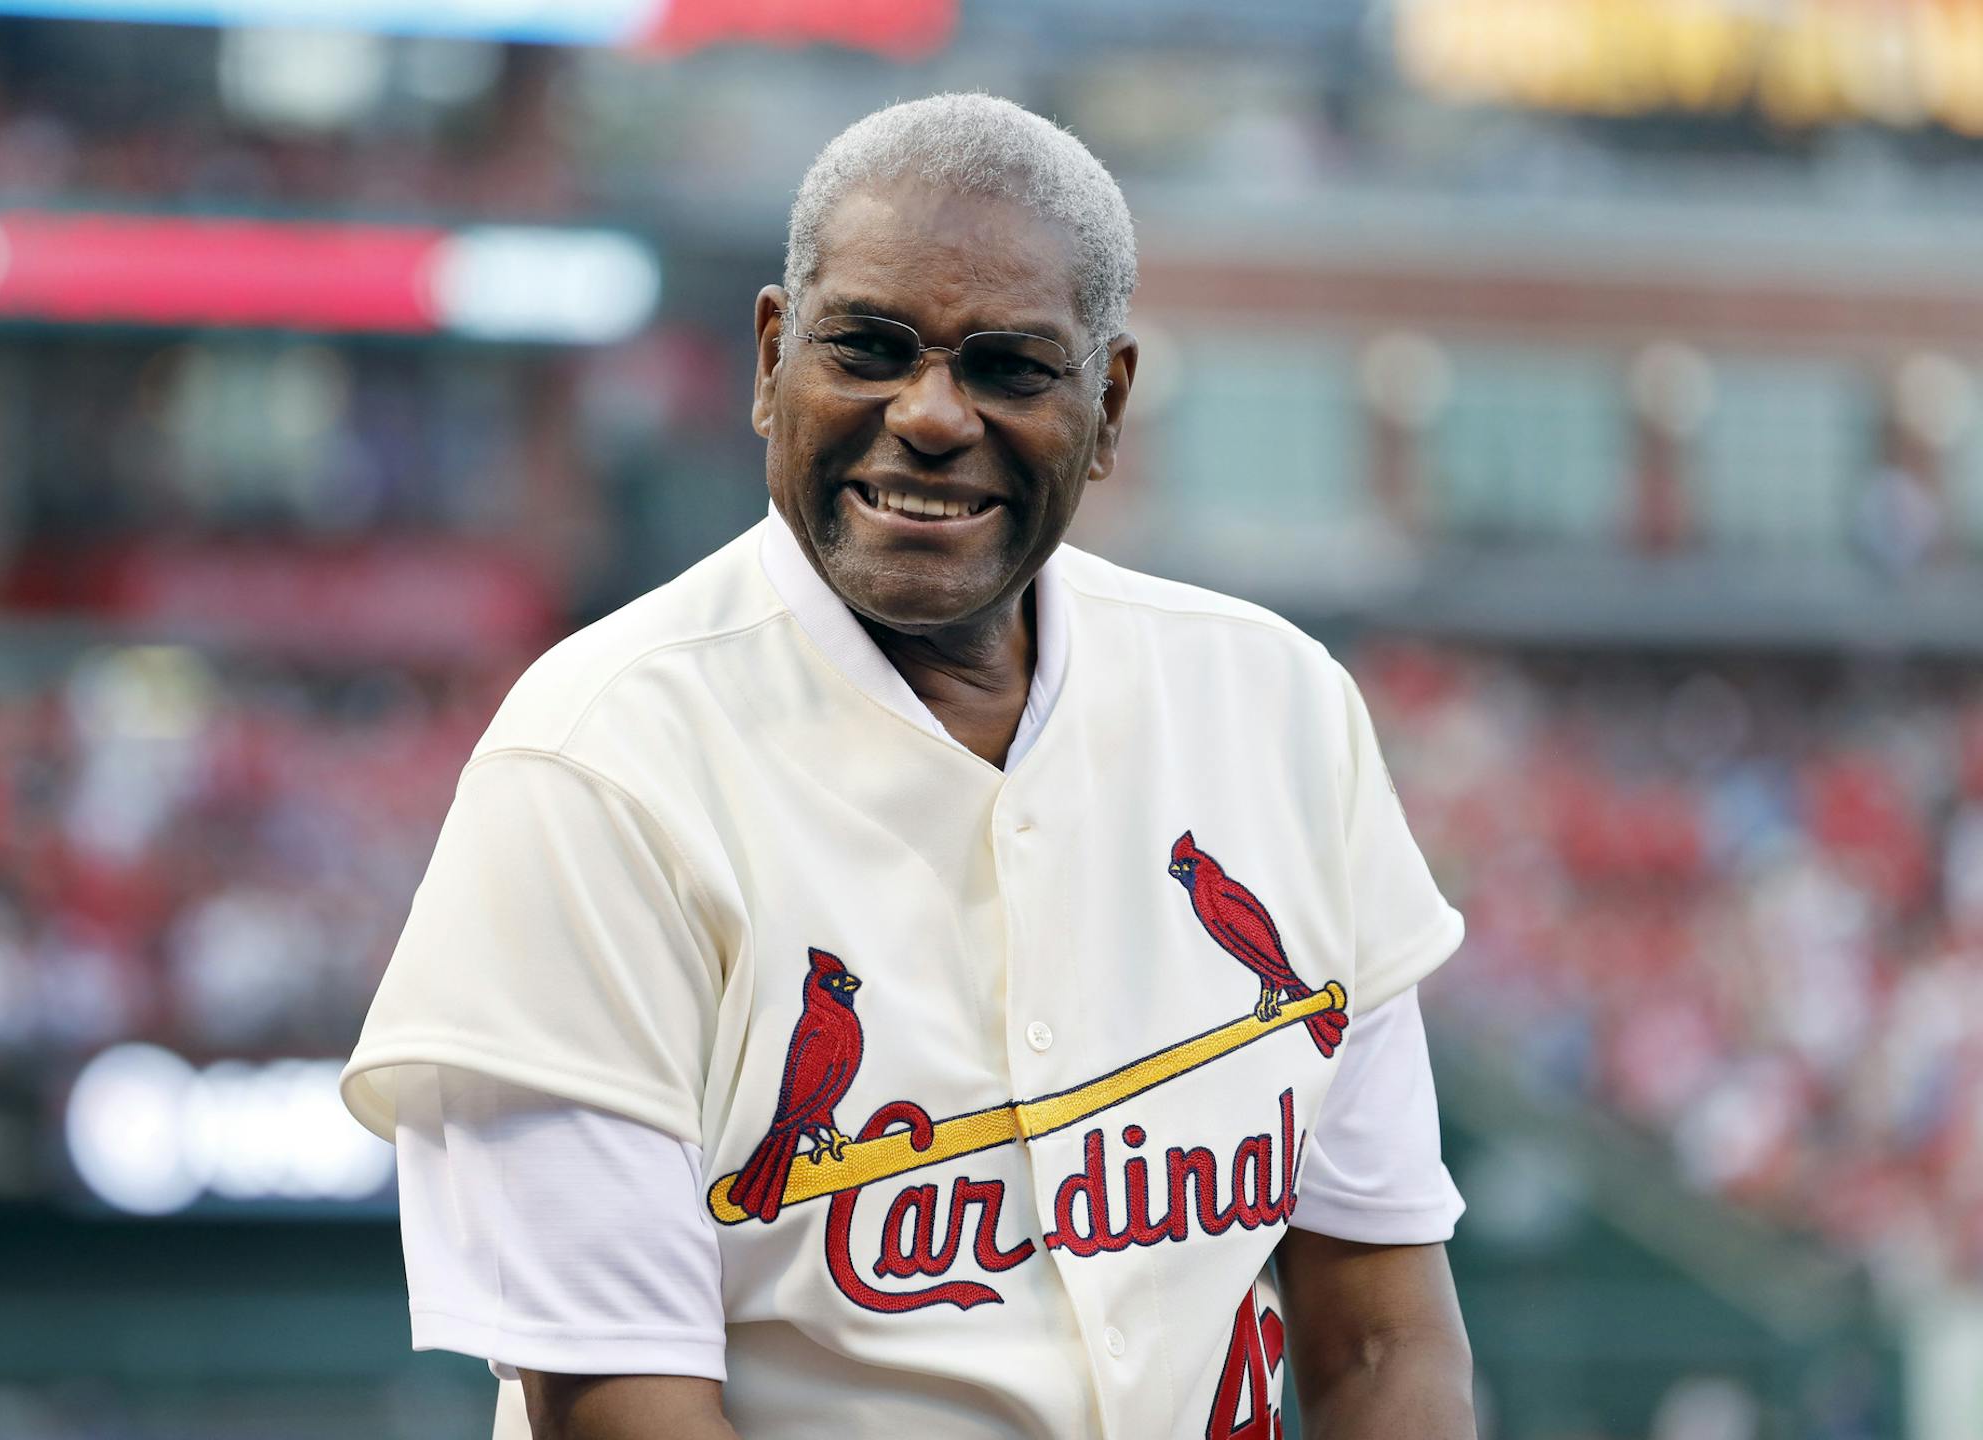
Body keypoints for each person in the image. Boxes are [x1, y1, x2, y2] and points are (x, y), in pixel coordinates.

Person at [341, 93, 1476, 1439]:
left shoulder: (1279, 707)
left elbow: (1381, 1341)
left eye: (1009, 367)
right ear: (772, 362)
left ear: (1106, 406)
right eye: (869, 348)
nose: (931, 415)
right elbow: (620, 1409)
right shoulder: (595, 765)